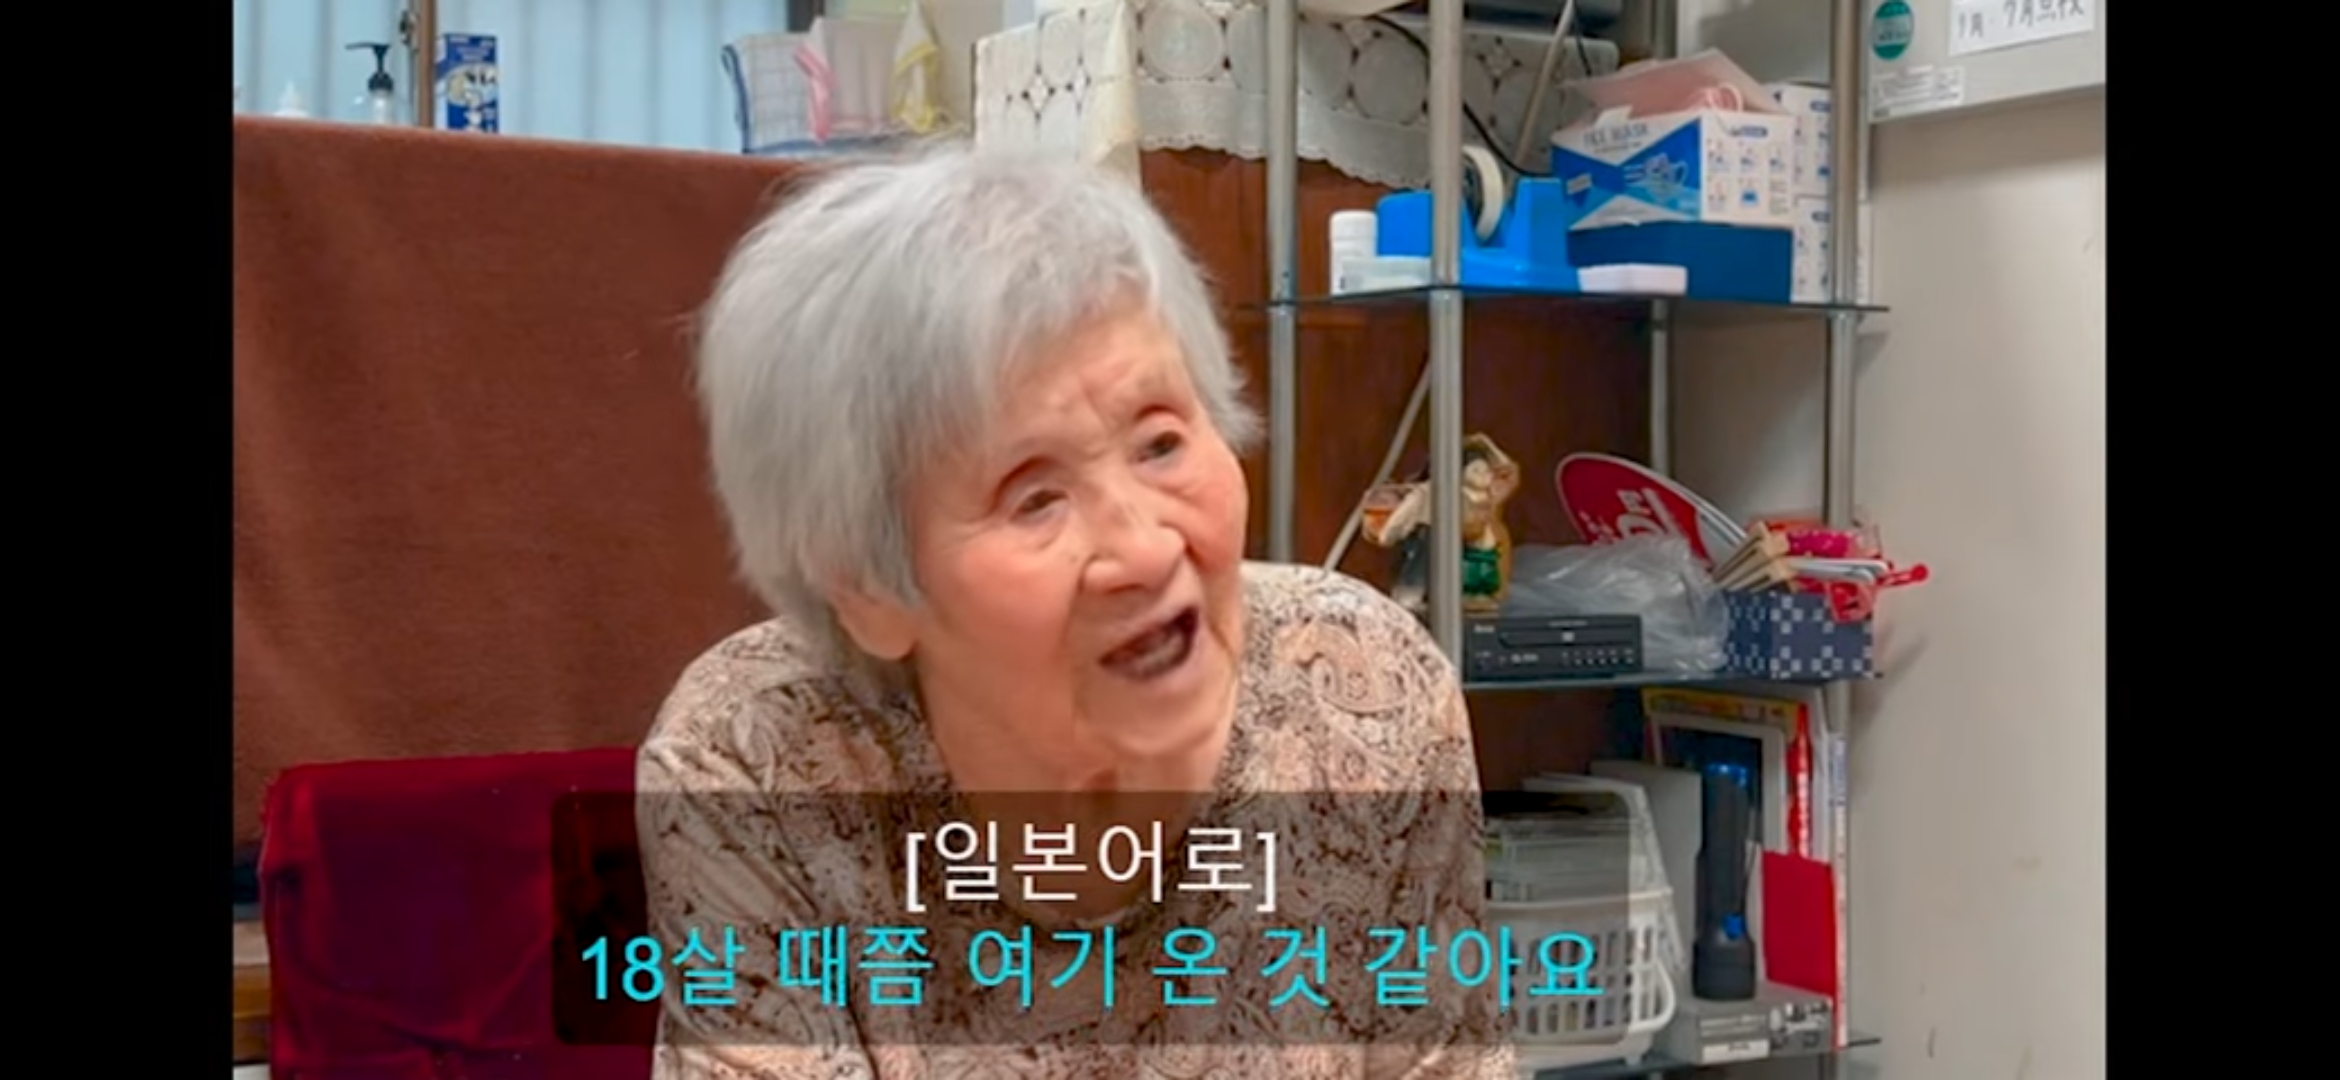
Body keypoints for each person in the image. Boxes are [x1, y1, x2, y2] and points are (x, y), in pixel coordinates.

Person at [639, 143, 1514, 1078]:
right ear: (866, 587)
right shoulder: (756, 765)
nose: (1145, 550)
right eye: (1034, 498)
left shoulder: (1366, 691)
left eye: (1161, 444)